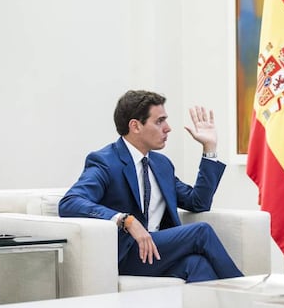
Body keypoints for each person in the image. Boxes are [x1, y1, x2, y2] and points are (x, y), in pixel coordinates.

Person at [59, 90, 243, 282]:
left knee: (197, 264)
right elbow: (70, 202)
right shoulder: (105, 162)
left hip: (156, 252)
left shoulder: (161, 164)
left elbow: (198, 203)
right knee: (201, 231)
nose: (168, 128)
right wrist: (126, 220)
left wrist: (209, 148)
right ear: (135, 126)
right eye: (159, 121)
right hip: (125, 254)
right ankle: (247, 291)